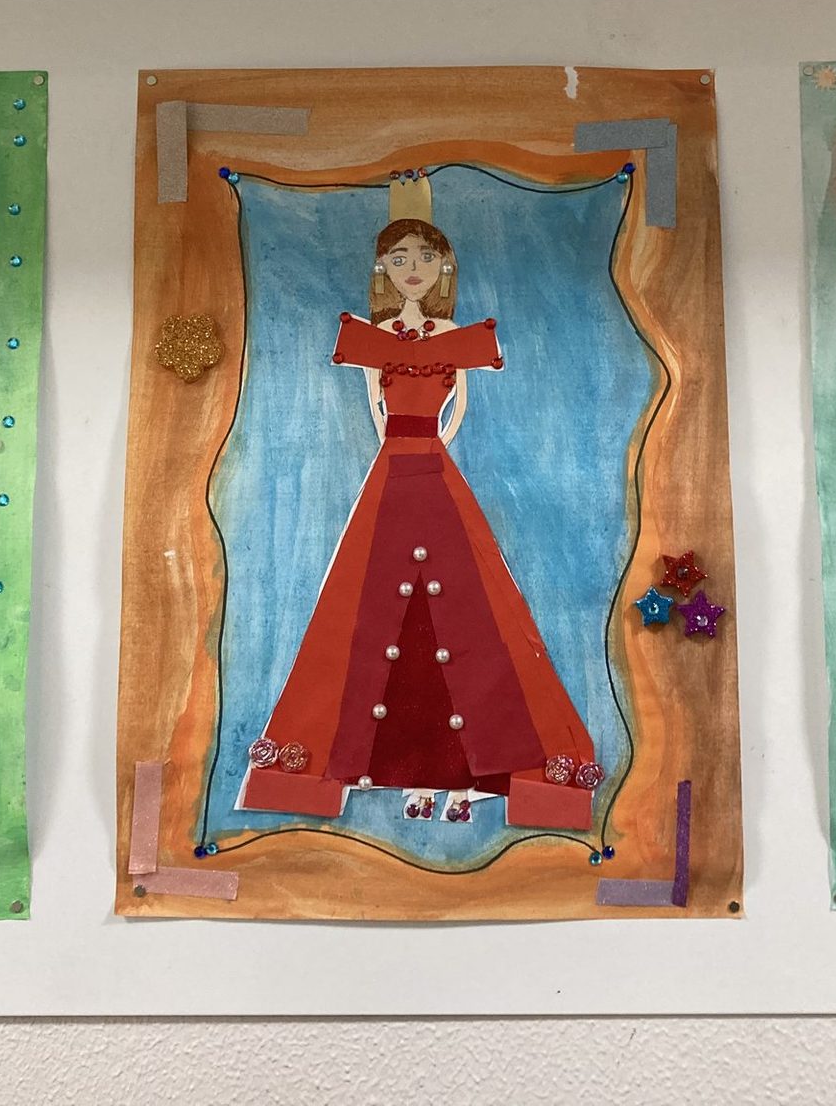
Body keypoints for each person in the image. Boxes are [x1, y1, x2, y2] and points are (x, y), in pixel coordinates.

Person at [242, 170, 601, 828]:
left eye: (425, 258)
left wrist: (431, 444)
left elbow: (456, 407)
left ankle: (475, 770)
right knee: (366, 599)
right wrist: (402, 445)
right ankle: (380, 765)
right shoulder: (373, 337)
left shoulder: (455, 336)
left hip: (431, 464)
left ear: (444, 267)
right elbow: (375, 408)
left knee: (469, 601)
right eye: (400, 258)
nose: (413, 269)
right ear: (383, 267)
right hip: (394, 468)